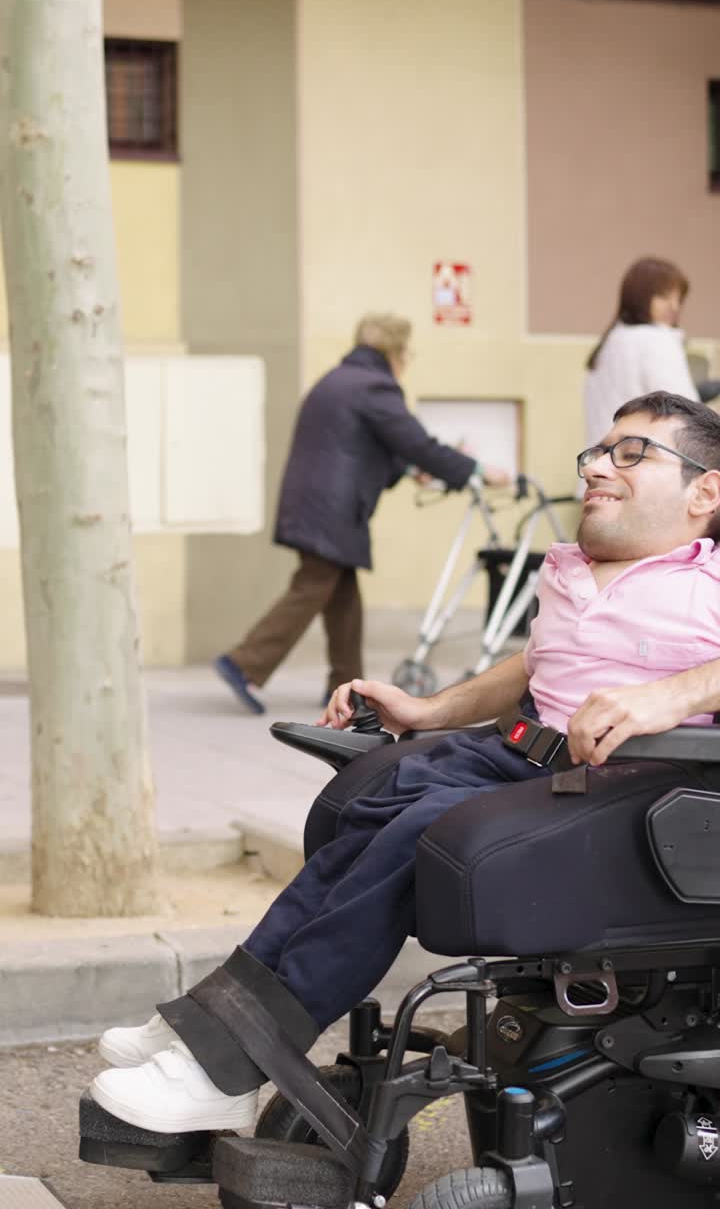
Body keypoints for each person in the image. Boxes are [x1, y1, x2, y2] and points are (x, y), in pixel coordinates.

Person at [90, 391, 720, 1135]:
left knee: (419, 828)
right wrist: (428, 711)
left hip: (622, 788)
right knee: (371, 804)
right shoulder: (570, 569)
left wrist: (672, 694)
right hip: (516, 756)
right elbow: (531, 664)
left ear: (703, 492)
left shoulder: (706, 581)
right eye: (598, 451)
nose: (598, 467)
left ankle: (231, 1067)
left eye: (632, 452)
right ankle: (214, 1026)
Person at [214, 313, 509, 714]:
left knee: (342, 596)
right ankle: (244, 662)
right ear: (395, 351)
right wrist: (475, 469)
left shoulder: (340, 380)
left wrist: (407, 470)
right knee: (312, 588)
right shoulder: (375, 386)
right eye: (407, 353)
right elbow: (415, 442)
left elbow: (362, 446)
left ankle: (345, 685)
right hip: (331, 510)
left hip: (317, 503)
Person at [583, 257, 698, 450]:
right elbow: (687, 414)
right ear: (640, 297)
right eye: (663, 296)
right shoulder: (656, 339)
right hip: (639, 467)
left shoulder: (608, 344)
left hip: (601, 464)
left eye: (678, 299)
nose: (674, 306)